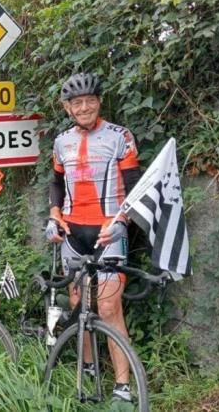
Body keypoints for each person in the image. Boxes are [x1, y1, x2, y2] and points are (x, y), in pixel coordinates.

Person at [45, 72, 142, 402]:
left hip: (108, 234)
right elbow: (56, 183)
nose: (84, 107)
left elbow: (134, 188)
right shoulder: (61, 142)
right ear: (67, 107)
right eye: (77, 103)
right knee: (77, 303)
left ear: (99, 102)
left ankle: (123, 388)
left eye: (90, 101)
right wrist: (53, 216)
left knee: (110, 307)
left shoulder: (120, 136)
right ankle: (88, 370)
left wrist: (122, 221)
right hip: (73, 235)